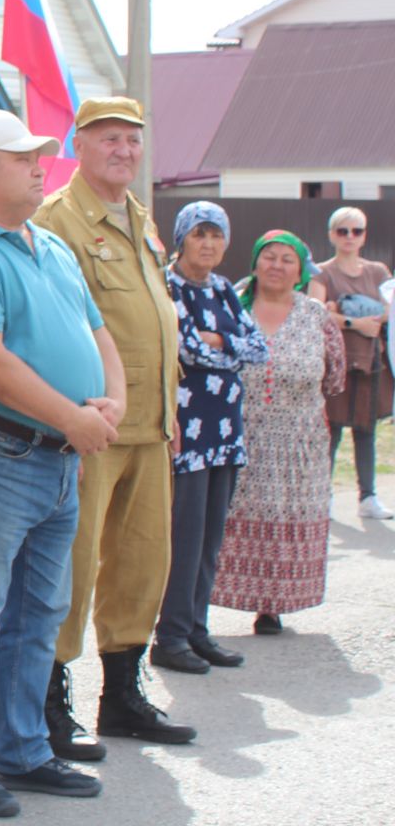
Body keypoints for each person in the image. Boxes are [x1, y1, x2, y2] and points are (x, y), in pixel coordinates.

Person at [0, 109, 125, 819]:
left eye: (40, 156)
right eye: (22, 159)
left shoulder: (50, 246)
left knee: (41, 609)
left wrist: (114, 402)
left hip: (59, 455)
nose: (41, 167)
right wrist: (74, 416)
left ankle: (23, 748)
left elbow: (98, 332)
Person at [34, 97, 193, 757]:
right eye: (109, 139)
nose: (124, 151)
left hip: (151, 425)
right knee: (68, 569)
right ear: (80, 144)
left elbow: (155, 319)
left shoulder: (140, 219)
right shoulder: (57, 221)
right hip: (91, 426)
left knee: (141, 563)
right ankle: (47, 702)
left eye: (133, 140)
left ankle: (123, 694)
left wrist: (170, 407)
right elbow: (45, 329)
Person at [153, 202, 267, 675]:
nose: (208, 244)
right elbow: (188, 349)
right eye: (199, 234)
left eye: (216, 236)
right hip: (189, 429)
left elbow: (258, 347)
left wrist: (220, 344)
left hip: (226, 429)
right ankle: (172, 634)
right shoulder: (168, 284)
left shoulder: (224, 289)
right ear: (182, 239)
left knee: (211, 537)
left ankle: (198, 628)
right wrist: (223, 347)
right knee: (186, 533)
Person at [213, 231, 346, 634]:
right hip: (237, 434)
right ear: (255, 263)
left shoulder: (315, 315)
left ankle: (271, 607)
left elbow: (335, 376)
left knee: (286, 518)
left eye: (288, 259)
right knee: (225, 516)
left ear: (300, 271)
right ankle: (194, 608)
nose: (276, 265)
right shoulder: (231, 306)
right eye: (269, 256)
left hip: (298, 442)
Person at [307, 206, 393, 520]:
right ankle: (322, 494)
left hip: (370, 359)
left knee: (366, 429)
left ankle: (368, 496)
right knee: (332, 430)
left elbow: (388, 311)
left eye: (356, 231)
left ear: (364, 235)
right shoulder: (322, 272)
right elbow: (317, 313)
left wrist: (341, 309)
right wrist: (355, 321)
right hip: (335, 361)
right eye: (343, 231)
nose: (350, 237)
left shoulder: (378, 271)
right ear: (332, 235)